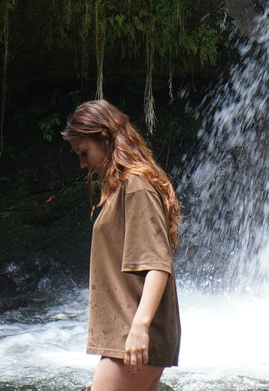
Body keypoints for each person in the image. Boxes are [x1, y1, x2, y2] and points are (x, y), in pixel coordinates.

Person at [63, 99, 181, 391]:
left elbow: (157, 264)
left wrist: (139, 328)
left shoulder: (136, 187)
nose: (83, 164)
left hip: (134, 337)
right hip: (129, 336)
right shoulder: (124, 188)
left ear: (104, 138)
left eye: (84, 152)